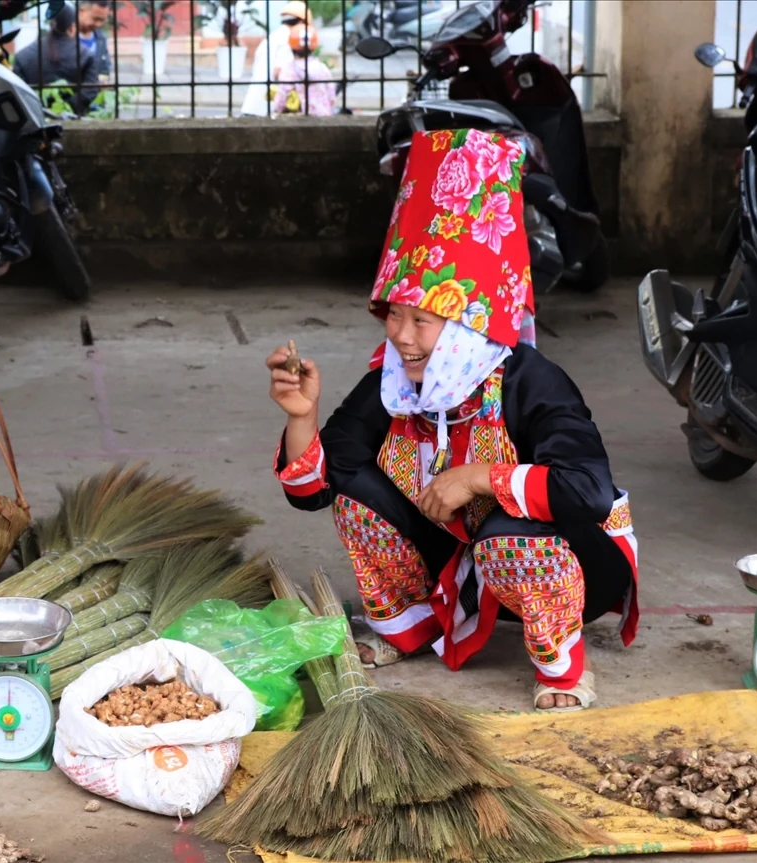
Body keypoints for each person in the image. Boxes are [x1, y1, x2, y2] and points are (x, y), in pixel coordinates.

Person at [267, 129, 639, 712]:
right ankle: (409, 627)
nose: (401, 337)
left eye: (422, 320)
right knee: (356, 497)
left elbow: (587, 492)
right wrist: (302, 417)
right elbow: (320, 488)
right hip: (464, 564)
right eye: (394, 315)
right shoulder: (393, 381)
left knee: (504, 535)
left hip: (568, 563)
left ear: (468, 327)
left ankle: (562, 668)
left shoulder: (529, 381)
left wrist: (479, 477)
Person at [13, 4, 100, 114]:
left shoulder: (23, 56)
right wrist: (65, 109)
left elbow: (18, 92)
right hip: (74, 120)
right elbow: (91, 90)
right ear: (72, 27)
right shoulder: (85, 55)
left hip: (36, 120)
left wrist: (42, 110)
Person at [271, 24, 337, 116]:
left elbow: (282, 97)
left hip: (300, 119)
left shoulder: (289, 70)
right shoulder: (322, 68)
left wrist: (276, 111)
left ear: (291, 47)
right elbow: (331, 95)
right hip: (323, 117)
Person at [76, 0, 113, 79]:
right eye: (95, 19)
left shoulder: (101, 38)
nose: (98, 24)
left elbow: (105, 69)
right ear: (81, 11)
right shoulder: (65, 38)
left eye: (102, 20)